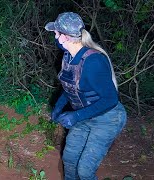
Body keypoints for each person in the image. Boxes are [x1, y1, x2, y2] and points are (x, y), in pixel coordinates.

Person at [45, 12, 127, 180]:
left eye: (56, 32)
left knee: (84, 170)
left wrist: (76, 115)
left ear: (64, 37)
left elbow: (111, 99)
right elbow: (70, 87)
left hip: (107, 118)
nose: (54, 35)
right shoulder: (68, 56)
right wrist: (58, 108)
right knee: (69, 159)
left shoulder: (93, 61)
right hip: (85, 116)